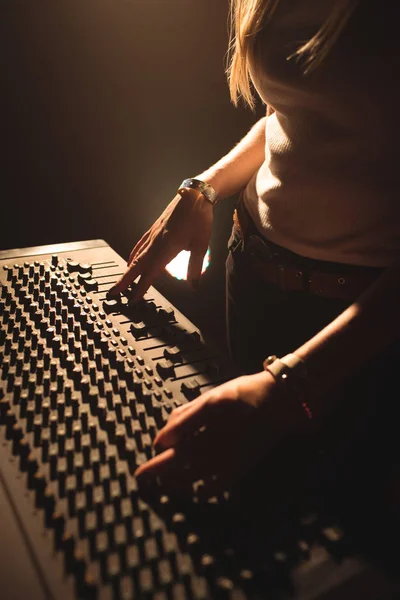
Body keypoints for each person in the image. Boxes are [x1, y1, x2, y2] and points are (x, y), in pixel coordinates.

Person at [109, 0, 400, 500]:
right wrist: (202, 189)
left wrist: (290, 386)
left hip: (363, 323)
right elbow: (291, 119)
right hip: (250, 280)